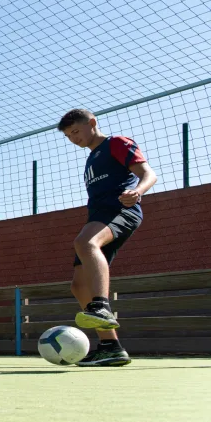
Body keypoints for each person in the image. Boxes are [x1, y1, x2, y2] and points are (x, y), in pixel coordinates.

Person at [57, 109, 156, 367]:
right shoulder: (91, 158)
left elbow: (149, 174)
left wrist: (137, 191)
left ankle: (101, 305)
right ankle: (110, 347)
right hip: (99, 217)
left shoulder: (117, 143)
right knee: (79, 285)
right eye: (68, 136)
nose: (73, 138)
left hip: (121, 211)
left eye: (75, 131)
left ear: (92, 123)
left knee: (85, 243)